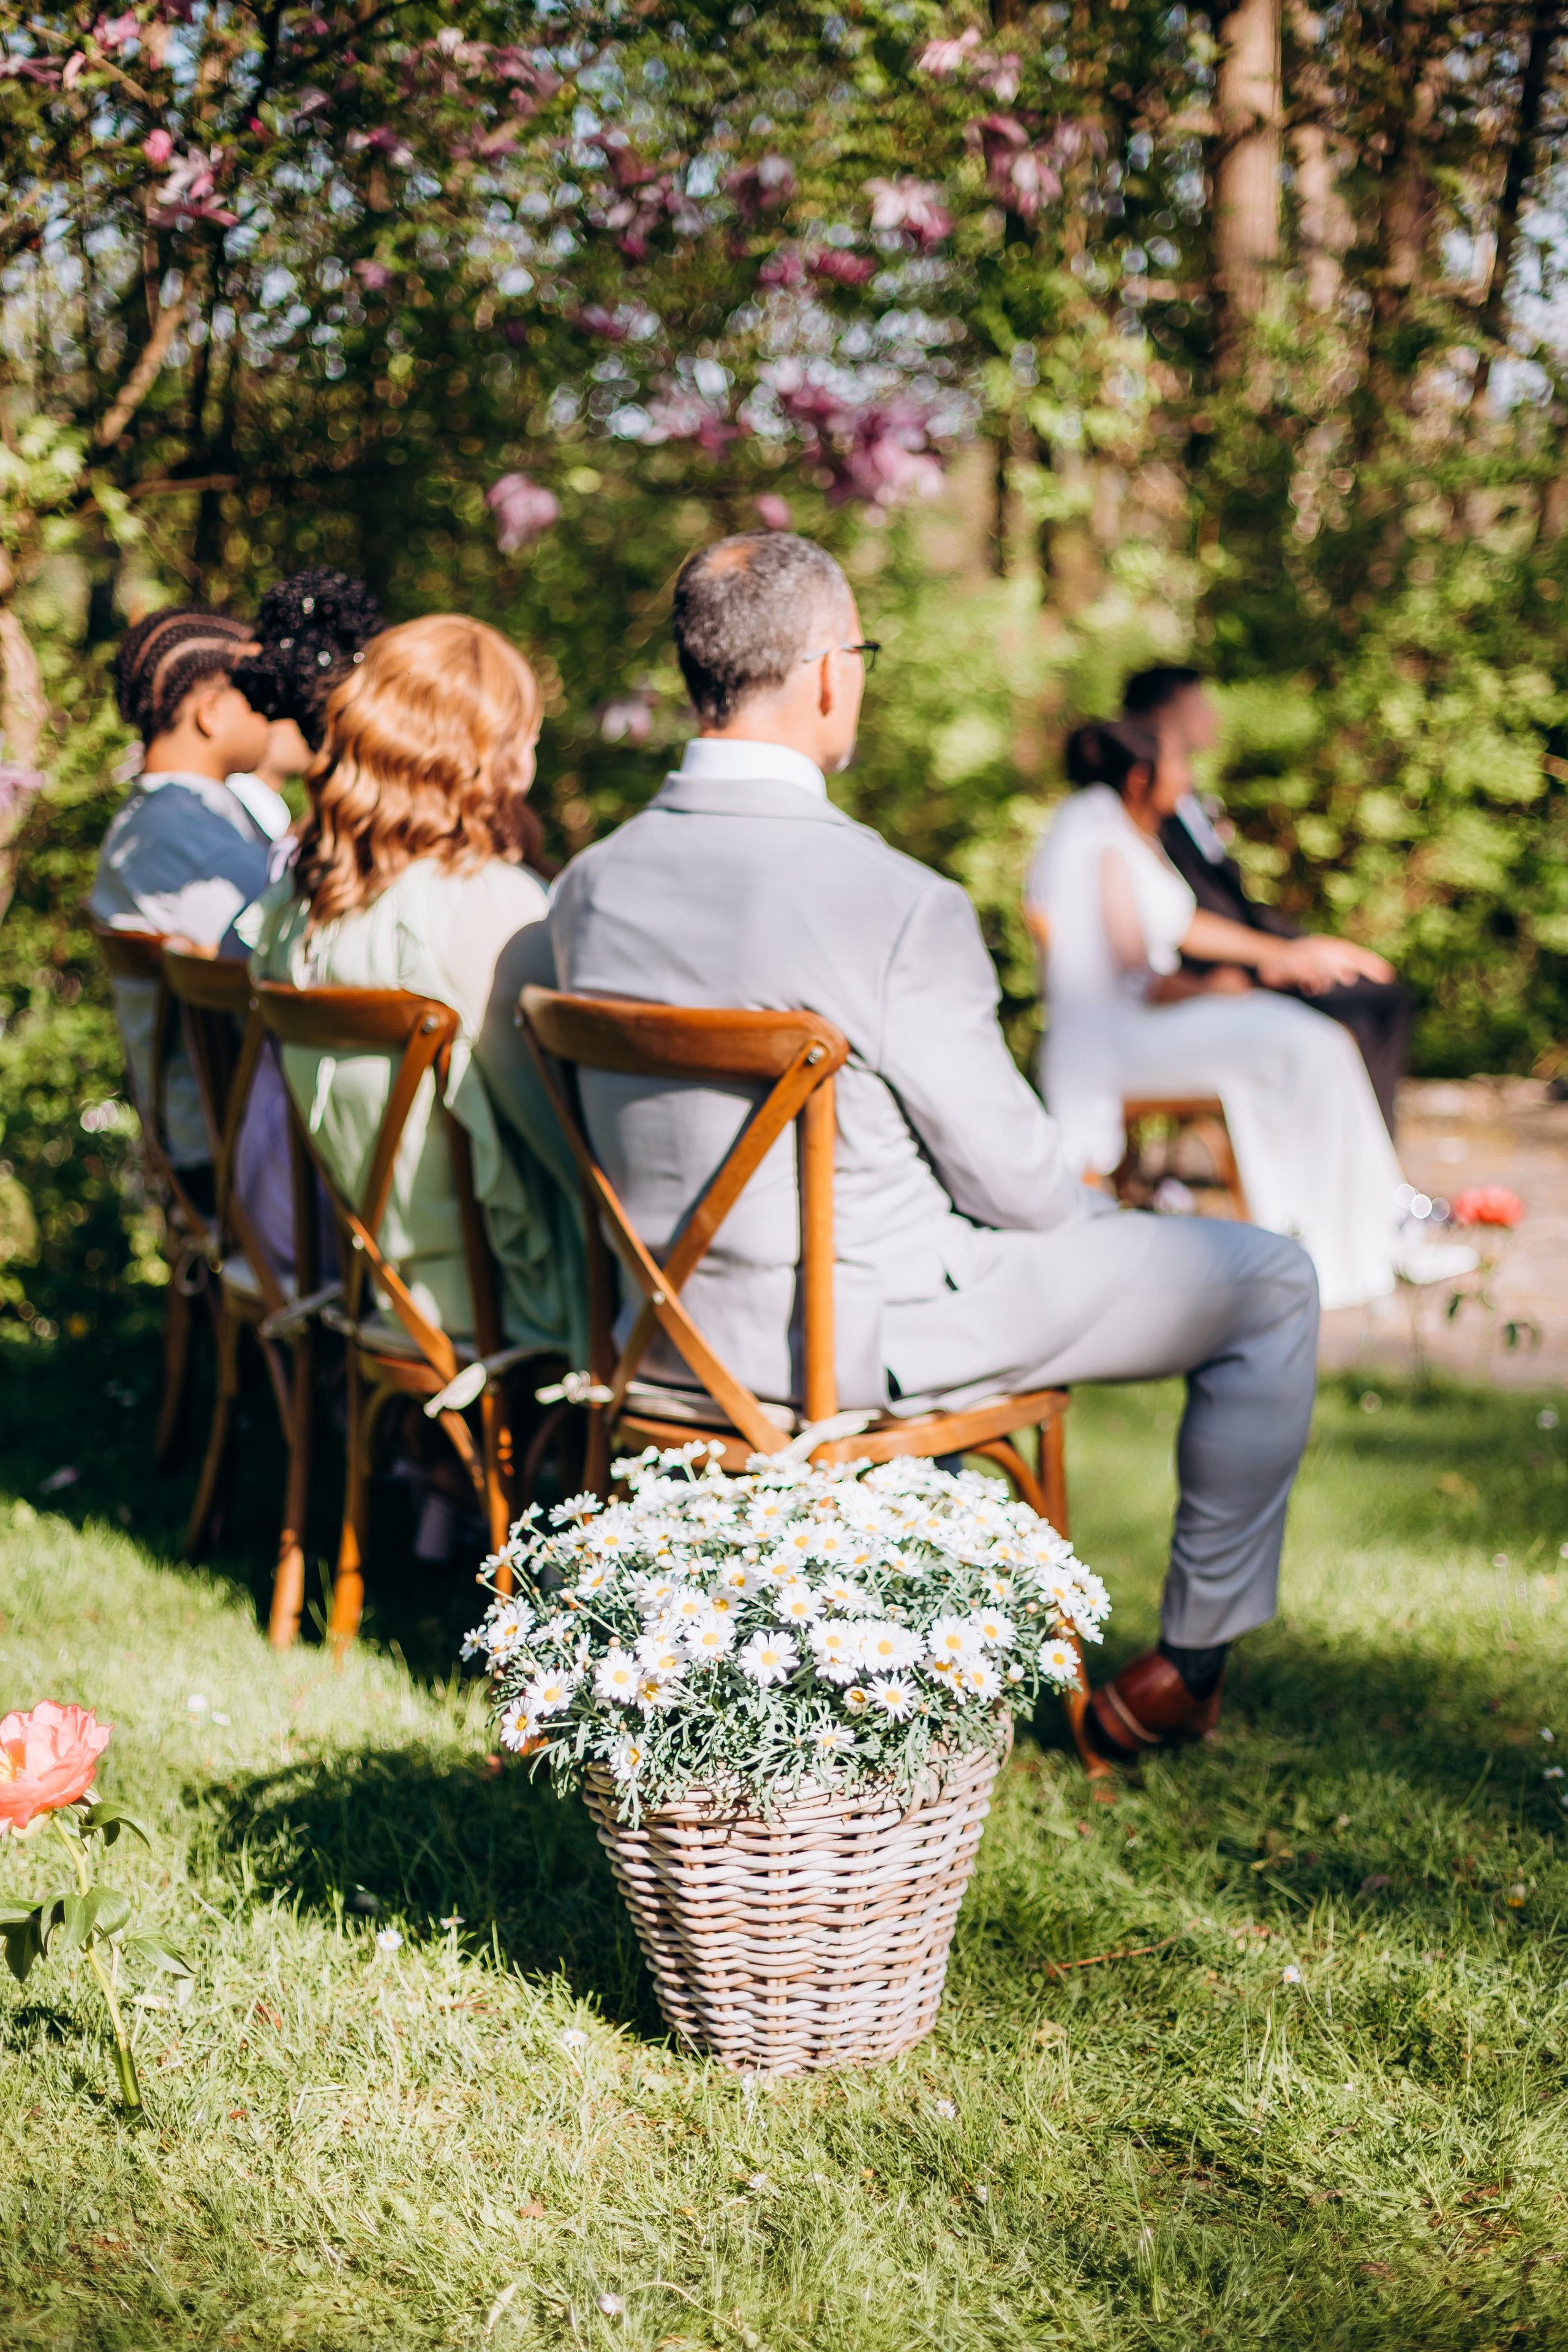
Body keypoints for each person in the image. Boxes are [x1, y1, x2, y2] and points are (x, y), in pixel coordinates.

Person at [548, 530, 1318, 1761]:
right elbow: (1017, 1184)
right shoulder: (892, 900)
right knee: (1269, 1281)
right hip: (867, 1334)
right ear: (822, 677)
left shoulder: (586, 885)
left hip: (658, 1335)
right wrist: (1108, 1225)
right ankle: (1182, 1671)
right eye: (859, 651)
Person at [1025, 720, 1475, 1310]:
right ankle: (1333, 1245)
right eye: (1178, 765)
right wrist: (1221, 987)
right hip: (1126, 1044)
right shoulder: (1106, 843)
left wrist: (1283, 957)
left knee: (1317, 1041)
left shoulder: (1111, 830)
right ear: (1141, 778)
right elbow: (1142, 977)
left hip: (1138, 1030)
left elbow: (1182, 925)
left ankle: (1373, 1228)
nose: (1188, 778)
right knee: (1309, 1046)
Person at [246, 614, 585, 1364]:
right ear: (480, 750)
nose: (533, 749)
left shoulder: (290, 912)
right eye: (523, 730)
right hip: (515, 1293)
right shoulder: (492, 906)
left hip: (376, 1275)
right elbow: (567, 1141)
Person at [1124, 666, 1414, 1134]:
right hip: (1208, 975)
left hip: (1241, 959)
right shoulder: (1137, 823)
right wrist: (1278, 959)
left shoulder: (1191, 805)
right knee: (1356, 1014)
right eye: (1201, 704)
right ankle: (1350, 1171)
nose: (1214, 716)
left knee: (1381, 1000)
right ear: (1165, 714)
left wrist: (1314, 945)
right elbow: (1182, 923)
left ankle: (1375, 1169)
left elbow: (1239, 906)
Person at [91, 607, 275, 1186]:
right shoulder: (191, 842)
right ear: (212, 712)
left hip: (212, 1138)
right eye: (260, 692)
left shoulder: (159, 818)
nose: (276, 708)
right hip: (239, 1155)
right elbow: (281, 966)